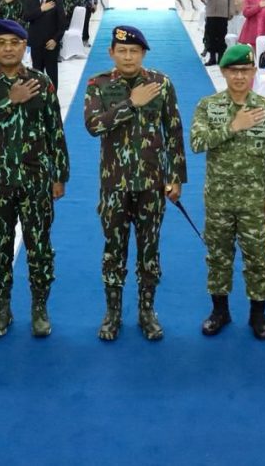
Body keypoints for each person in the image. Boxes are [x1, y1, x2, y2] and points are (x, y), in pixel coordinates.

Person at [0, 19, 69, 337]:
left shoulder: (41, 81)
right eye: (1, 42)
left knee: (39, 247)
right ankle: (2, 308)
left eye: (14, 42)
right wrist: (10, 100)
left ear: (24, 46)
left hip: (36, 179)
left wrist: (60, 174)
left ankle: (39, 308)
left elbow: (55, 130)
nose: (8, 48)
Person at [84, 26, 187, 341]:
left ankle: (146, 311)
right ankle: (113, 312)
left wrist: (176, 177)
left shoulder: (161, 84)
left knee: (149, 249)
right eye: (122, 50)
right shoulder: (98, 85)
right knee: (114, 250)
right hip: (114, 184)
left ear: (143, 54)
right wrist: (131, 103)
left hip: (151, 184)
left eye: (134, 51)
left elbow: (174, 131)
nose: (128, 56)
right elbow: (93, 125)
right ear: (111, 52)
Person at [190, 44, 265, 340]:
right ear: (224, 72)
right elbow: (197, 142)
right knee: (218, 256)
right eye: (234, 71)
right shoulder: (209, 105)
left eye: (245, 70)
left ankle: (258, 314)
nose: (240, 76)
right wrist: (233, 126)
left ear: (254, 72)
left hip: (254, 200)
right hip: (218, 199)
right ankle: (220, 311)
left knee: (257, 258)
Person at [20, 0, 66, 88]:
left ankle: (53, 97)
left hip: (51, 44)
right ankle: (39, 97)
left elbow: (62, 24)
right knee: (37, 73)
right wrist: (41, 9)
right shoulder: (30, 0)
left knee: (52, 74)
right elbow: (26, 17)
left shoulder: (56, 0)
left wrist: (55, 40)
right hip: (36, 43)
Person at [201, 0, 232, 66]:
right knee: (211, 36)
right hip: (211, 13)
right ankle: (212, 57)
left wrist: (230, 11)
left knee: (221, 36)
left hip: (223, 13)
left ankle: (221, 58)